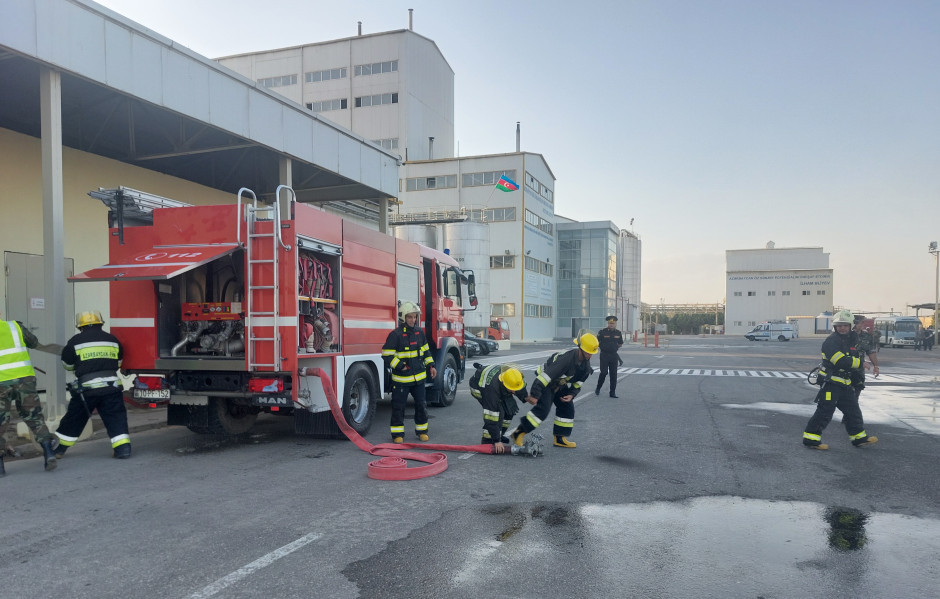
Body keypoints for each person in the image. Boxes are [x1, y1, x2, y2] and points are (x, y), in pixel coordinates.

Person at [55, 310, 131, 459]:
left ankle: (58, 450)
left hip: (87, 390)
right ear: (100, 323)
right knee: (116, 417)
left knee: (75, 418)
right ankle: (123, 450)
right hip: (111, 387)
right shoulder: (112, 340)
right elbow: (118, 363)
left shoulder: (75, 341)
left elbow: (68, 365)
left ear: (80, 326)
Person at [802, 310, 877, 450]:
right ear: (835, 327)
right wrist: (860, 363)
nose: (842, 328)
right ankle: (811, 439)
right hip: (831, 383)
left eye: (845, 325)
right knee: (825, 411)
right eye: (839, 325)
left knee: (853, 410)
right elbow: (840, 361)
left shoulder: (851, 340)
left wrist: (857, 378)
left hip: (844, 383)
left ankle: (859, 438)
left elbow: (853, 358)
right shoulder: (831, 341)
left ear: (850, 326)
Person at [511, 333, 598, 449]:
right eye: (588, 352)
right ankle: (518, 433)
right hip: (546, 381)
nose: (590, 355)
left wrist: (571, 394)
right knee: (543, 410)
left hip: (559, 382)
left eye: (591, 353)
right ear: (580, 348)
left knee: (567, 407)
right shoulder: (566, 359)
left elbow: (579, 382)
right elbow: (545, 377)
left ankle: (559, 438)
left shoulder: (585, 365)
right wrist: (535, 394)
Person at [0, 310, 57, 475]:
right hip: (25, 380)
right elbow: (33, 342)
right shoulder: (15, 327)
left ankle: (0, 467)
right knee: (34, 417)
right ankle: (48, 453)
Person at [381, 302, 436, 443]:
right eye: (410, 317)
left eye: (415, 317)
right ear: (403, 317)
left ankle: (422, 431)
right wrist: (400, 366)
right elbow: (386, 355)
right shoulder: (395, 335)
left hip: (419, 380)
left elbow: (426, 351)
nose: (413, 320)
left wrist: (431, 366)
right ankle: (397, 435)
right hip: (401, 380)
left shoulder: (419, 333)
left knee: (421, 405)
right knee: (398, 407)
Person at [468, 363, 527, 453]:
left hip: (499, 387)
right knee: (497, 413)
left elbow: (519, 386)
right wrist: (496, 441)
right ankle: (488, 440)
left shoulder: (514, 375)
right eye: (512, 389)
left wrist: (525, 397)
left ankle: (499, 434)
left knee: (510, 409)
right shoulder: (492, 390)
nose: (514, 392)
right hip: (479, 389)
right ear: (504, 383)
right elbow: (490, 417)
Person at [595, 315, 624, 398]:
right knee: (604, 373)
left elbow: (620, 343)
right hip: (604, 355)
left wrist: (614, 348)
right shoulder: (602, 332)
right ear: (608, 324)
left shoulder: (618, 333)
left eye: (613, 323)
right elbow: (597, 341)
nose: (611, 325)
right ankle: (598, 387)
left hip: (614, 356)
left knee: (613, 375)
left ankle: (612, 392)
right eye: (610, 323)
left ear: (615, 324)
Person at [853, 315, 879, 389]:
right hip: (845, 369)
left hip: (859, 371)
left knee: (857, 391)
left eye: (863, 322)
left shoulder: (867, 336)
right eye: (861, 322)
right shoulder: (845, 336)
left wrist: (876, 366)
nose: (863, 324)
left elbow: (871, 352)